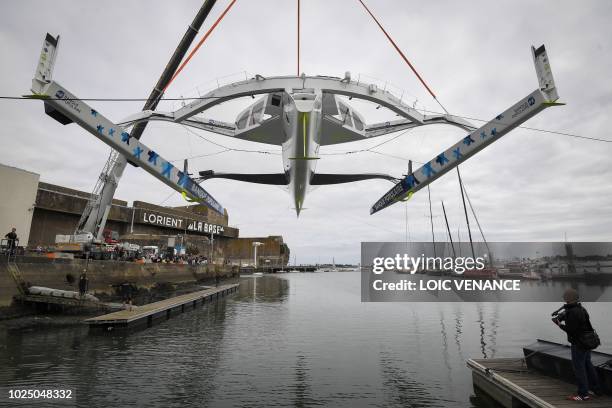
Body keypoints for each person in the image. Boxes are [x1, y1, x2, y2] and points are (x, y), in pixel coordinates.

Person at [553, 288, 601, 401]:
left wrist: (560, 325)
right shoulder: (580, 309)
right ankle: (596, 389)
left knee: (579, 369)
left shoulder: (573, 312)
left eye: (565, 298)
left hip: (578, 344)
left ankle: (583, 394)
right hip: (586, 342)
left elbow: (572, 330)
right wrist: (563, 316)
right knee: (588, 366)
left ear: (567, 299)